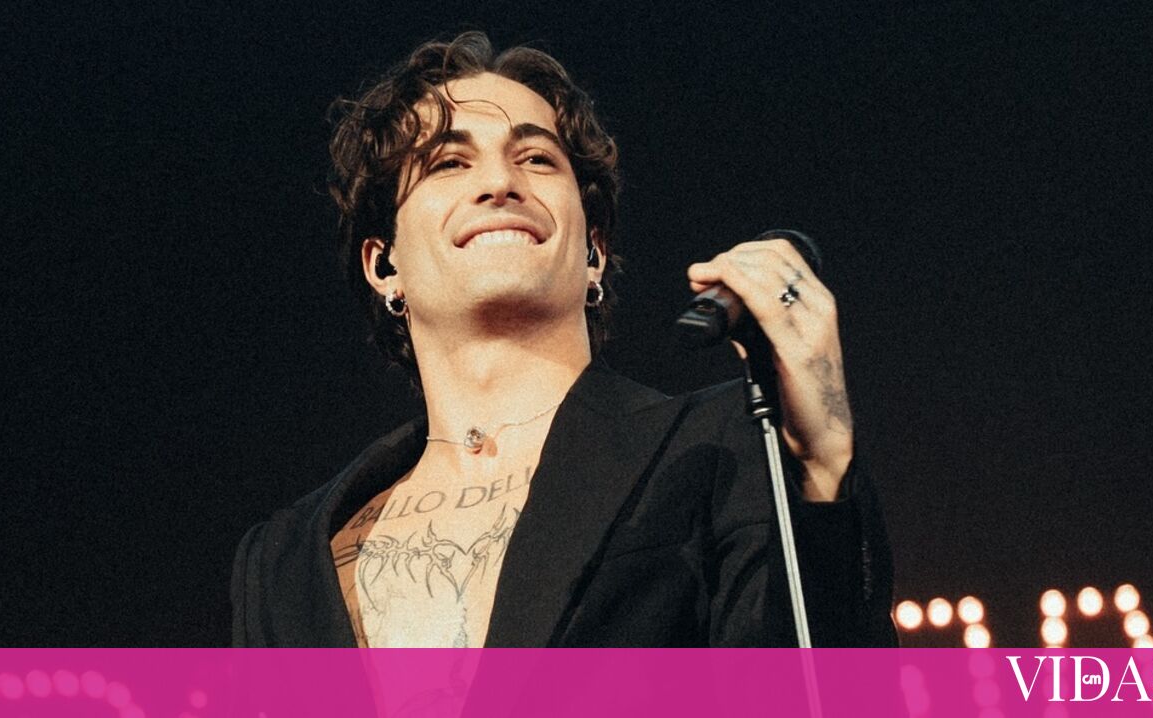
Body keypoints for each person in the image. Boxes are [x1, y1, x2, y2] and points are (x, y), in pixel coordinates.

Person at [231, 31, 896, 648]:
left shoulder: (721, 449)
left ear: (593, 252)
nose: (500, 183)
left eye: (536, 158)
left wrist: (822, 470)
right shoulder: (282, 558)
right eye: (449, 162)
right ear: (384, 265)